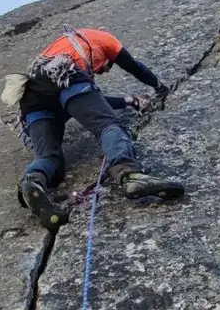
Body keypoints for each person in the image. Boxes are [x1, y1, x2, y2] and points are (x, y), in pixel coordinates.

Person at [14, 27, 185, 229]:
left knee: (49, 158)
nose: (104, 70)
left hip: (32, 93)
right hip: (64, 72)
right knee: (108, 126)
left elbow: (84, 102)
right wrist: (159, 86)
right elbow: (134, 67)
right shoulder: (106, 40)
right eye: (107, 66)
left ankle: (33, 181)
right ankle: (130, 174)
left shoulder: (62, 46)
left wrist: (129, 101)